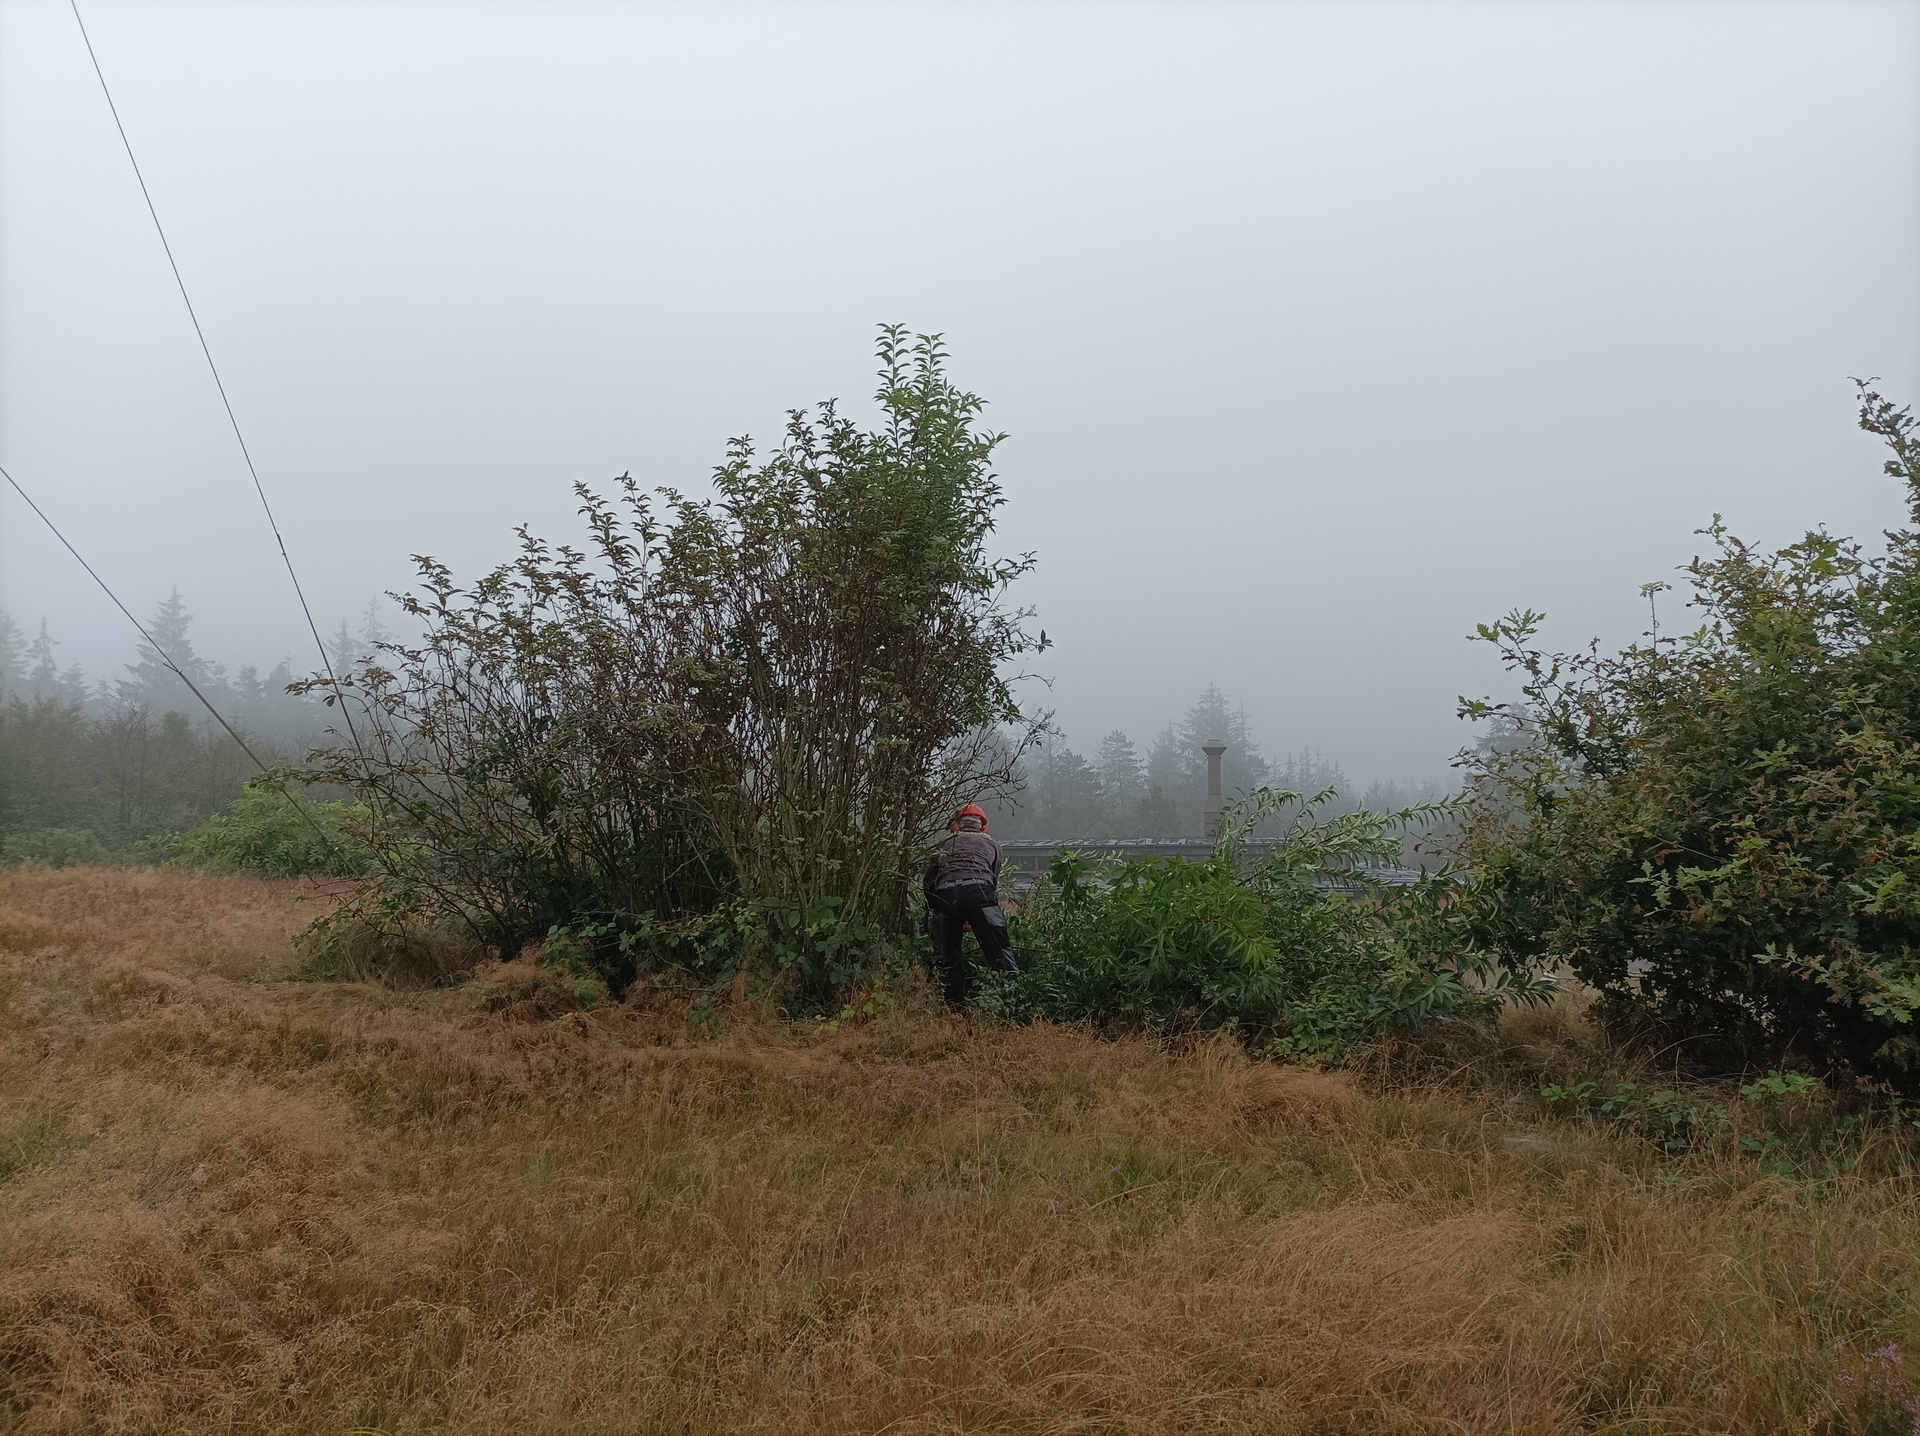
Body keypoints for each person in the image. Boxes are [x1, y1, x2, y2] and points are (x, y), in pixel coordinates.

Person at [923, 803, 1019, 1007]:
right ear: (983, 827)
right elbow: (992, 880)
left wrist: (939, 908)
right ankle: (1012, 1000)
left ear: (956, 825)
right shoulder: (993, 845)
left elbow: (929, 882)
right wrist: (975, 913)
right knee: (999, 948)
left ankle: (954, 1006)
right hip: (981, 893)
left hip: (945, 895)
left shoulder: (944, 844)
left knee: (948, 956)